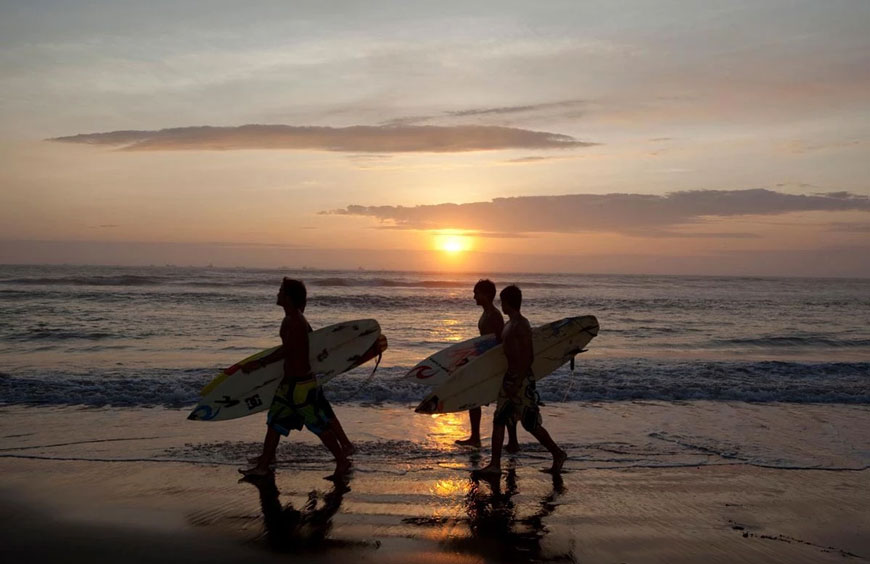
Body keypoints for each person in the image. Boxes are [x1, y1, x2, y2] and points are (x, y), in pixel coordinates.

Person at [240, 278, 352, 478]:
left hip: (301, 386)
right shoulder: (292, 318)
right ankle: (265, 464)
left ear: (289, 297)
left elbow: (288, 350)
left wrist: (259, 363)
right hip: (290, 384)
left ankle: (342, 462)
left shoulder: (296, 321)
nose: (277, 294)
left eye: (281, 290)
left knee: (318, 426)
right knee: (274, 423)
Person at [473, 285, 567, 476]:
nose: (501, 304)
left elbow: (529, 356)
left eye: (503, 301)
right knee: (499, 419)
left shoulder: (521, 325)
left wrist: (517, 382)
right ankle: (495, 465)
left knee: (530, 424)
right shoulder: (509, 324)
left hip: (521, 380)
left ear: (509, 302)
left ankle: (558, 454)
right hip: (510, 378)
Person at [455, 279, 520, 453]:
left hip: (493, 364)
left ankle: (512, 441)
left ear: (486, 295)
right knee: (474, 397)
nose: (474, 296)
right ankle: (476, 437)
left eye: (476, 293)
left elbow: (499, 342)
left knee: (503, 403)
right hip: (484, 361)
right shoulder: (486, 314)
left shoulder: (494, 316)